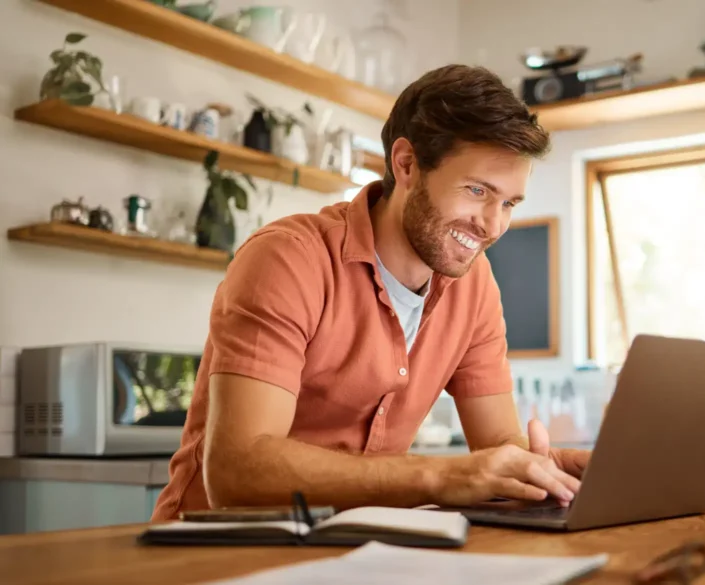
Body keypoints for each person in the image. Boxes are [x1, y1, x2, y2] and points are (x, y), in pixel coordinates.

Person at [151, 64, 591, 521]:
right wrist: (441, 477)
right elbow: (236, 474)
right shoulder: (288, 260)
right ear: (406, 165)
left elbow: (499, 446)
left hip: (354, 551)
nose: (493, 225)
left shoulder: (475, 285)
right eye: (477, 190)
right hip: (216, 553)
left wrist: (550, 470)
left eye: (508, 203)